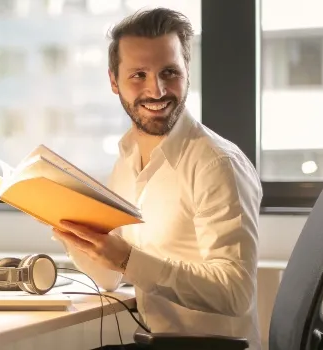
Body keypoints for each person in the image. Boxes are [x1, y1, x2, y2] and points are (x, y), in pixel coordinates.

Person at [52, 7, 263, 350]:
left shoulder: (217, 163)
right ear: (113, 82)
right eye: (139, 75)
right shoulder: (126, 161)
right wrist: (70, 230)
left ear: (187, 72)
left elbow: (235, 292)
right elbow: (110, 277)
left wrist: (127, 259)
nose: (157, 90)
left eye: (169, 72)